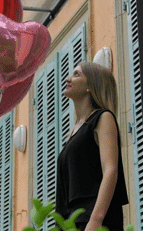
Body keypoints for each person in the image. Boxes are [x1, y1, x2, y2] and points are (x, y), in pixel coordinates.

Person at [55, 62, 129, 231]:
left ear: (91, 85)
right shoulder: (75, 131)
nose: (68, 79)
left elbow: (111, 170)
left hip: (93, 220)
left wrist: (95, 220)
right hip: (73, 221)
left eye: (76, 74)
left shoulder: (103, 118)